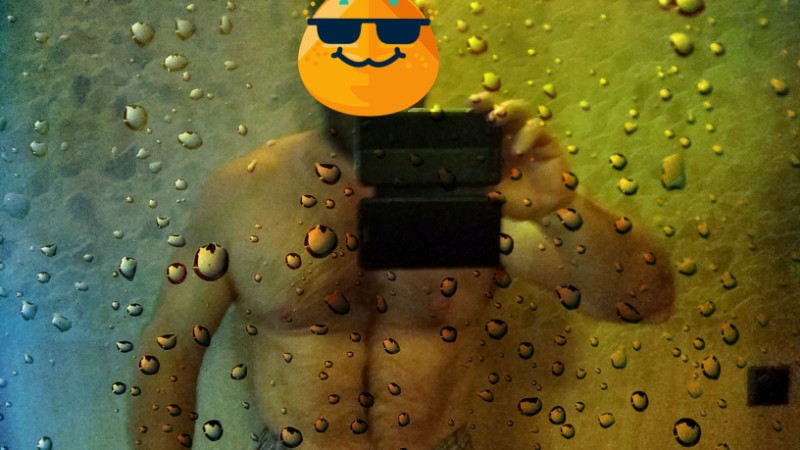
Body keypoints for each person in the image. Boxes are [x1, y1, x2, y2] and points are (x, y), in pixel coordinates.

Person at [130, 89, 674, 449]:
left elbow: (643, 300)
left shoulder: (476, 182)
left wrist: (560, 206)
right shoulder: (247, 190)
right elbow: (171, 349)